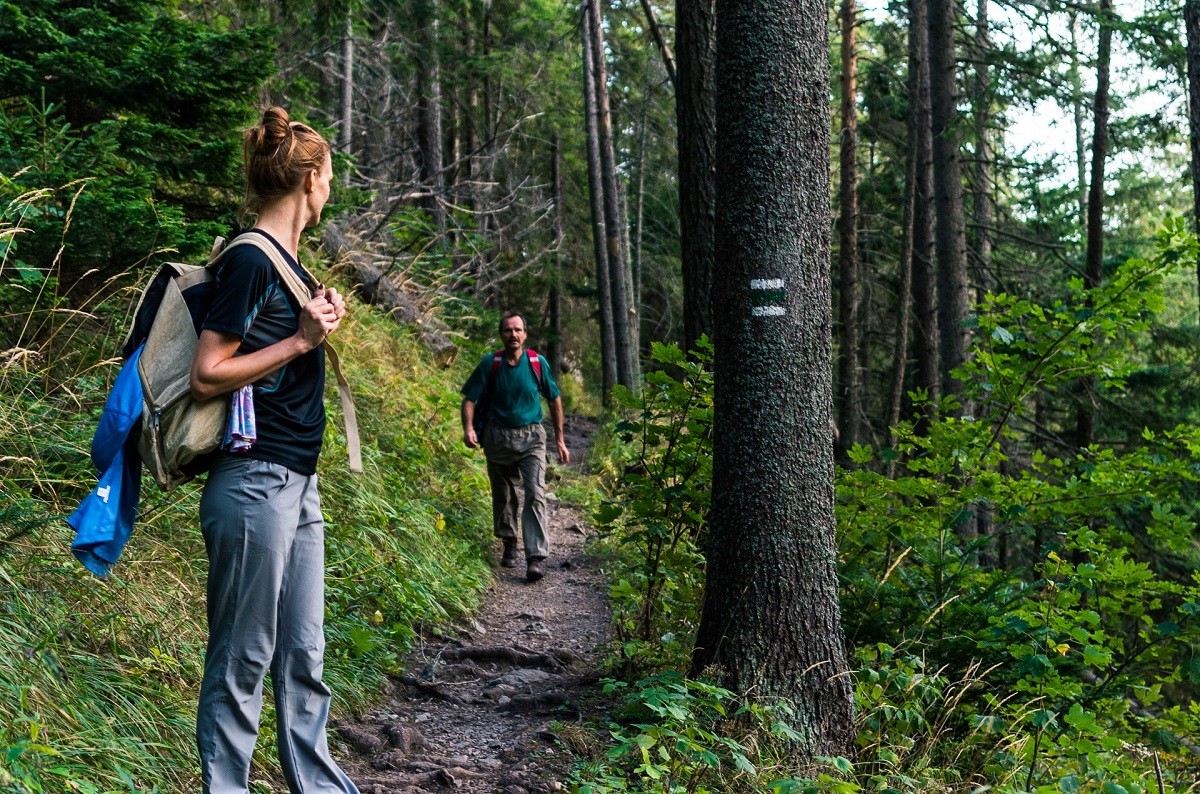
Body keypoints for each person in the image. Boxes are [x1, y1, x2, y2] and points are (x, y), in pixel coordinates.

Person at [189, 106, 359, 794]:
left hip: (295, 481)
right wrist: (300, 342)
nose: (330, 192)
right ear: (311, 179)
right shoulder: (252, 258)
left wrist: (311, 323)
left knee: (302, 656)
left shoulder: (283, 263)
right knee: (244, 658)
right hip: (253, 483)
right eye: (330, 179)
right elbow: (207, 372)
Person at [461, 312, 570, 582]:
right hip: (498, 437)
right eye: (508, 330)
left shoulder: (536, 362)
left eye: (518, 330)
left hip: (532, 437)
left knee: (535, 493)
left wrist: (559, 439)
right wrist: (469, 428)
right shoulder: (491, 364)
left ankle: (535, 557)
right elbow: (469, 398)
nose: (514, 335)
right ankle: (509, 543)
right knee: (504, 494)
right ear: (502, 335)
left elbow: (554, 399)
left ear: (525, 335)